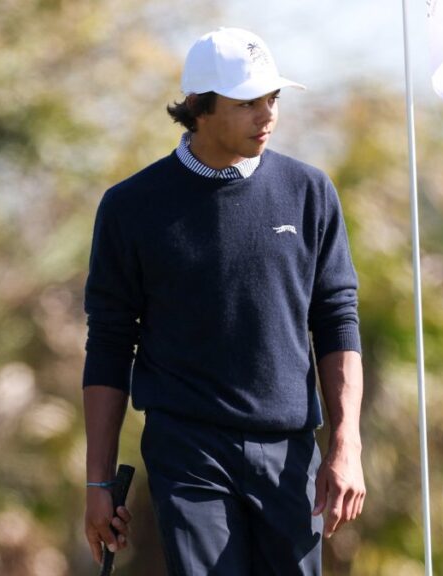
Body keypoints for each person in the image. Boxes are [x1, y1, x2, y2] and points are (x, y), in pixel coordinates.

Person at [82, 27, 365, 574]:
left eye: (272, 98)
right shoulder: (131, 207)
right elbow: (109, 346)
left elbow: (336, 321)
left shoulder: (309, 193)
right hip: (188, 453)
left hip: (290, 453)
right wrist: (98, 481)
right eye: (246, 103)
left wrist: (345, 445)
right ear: (198, 107)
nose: (267, 115)